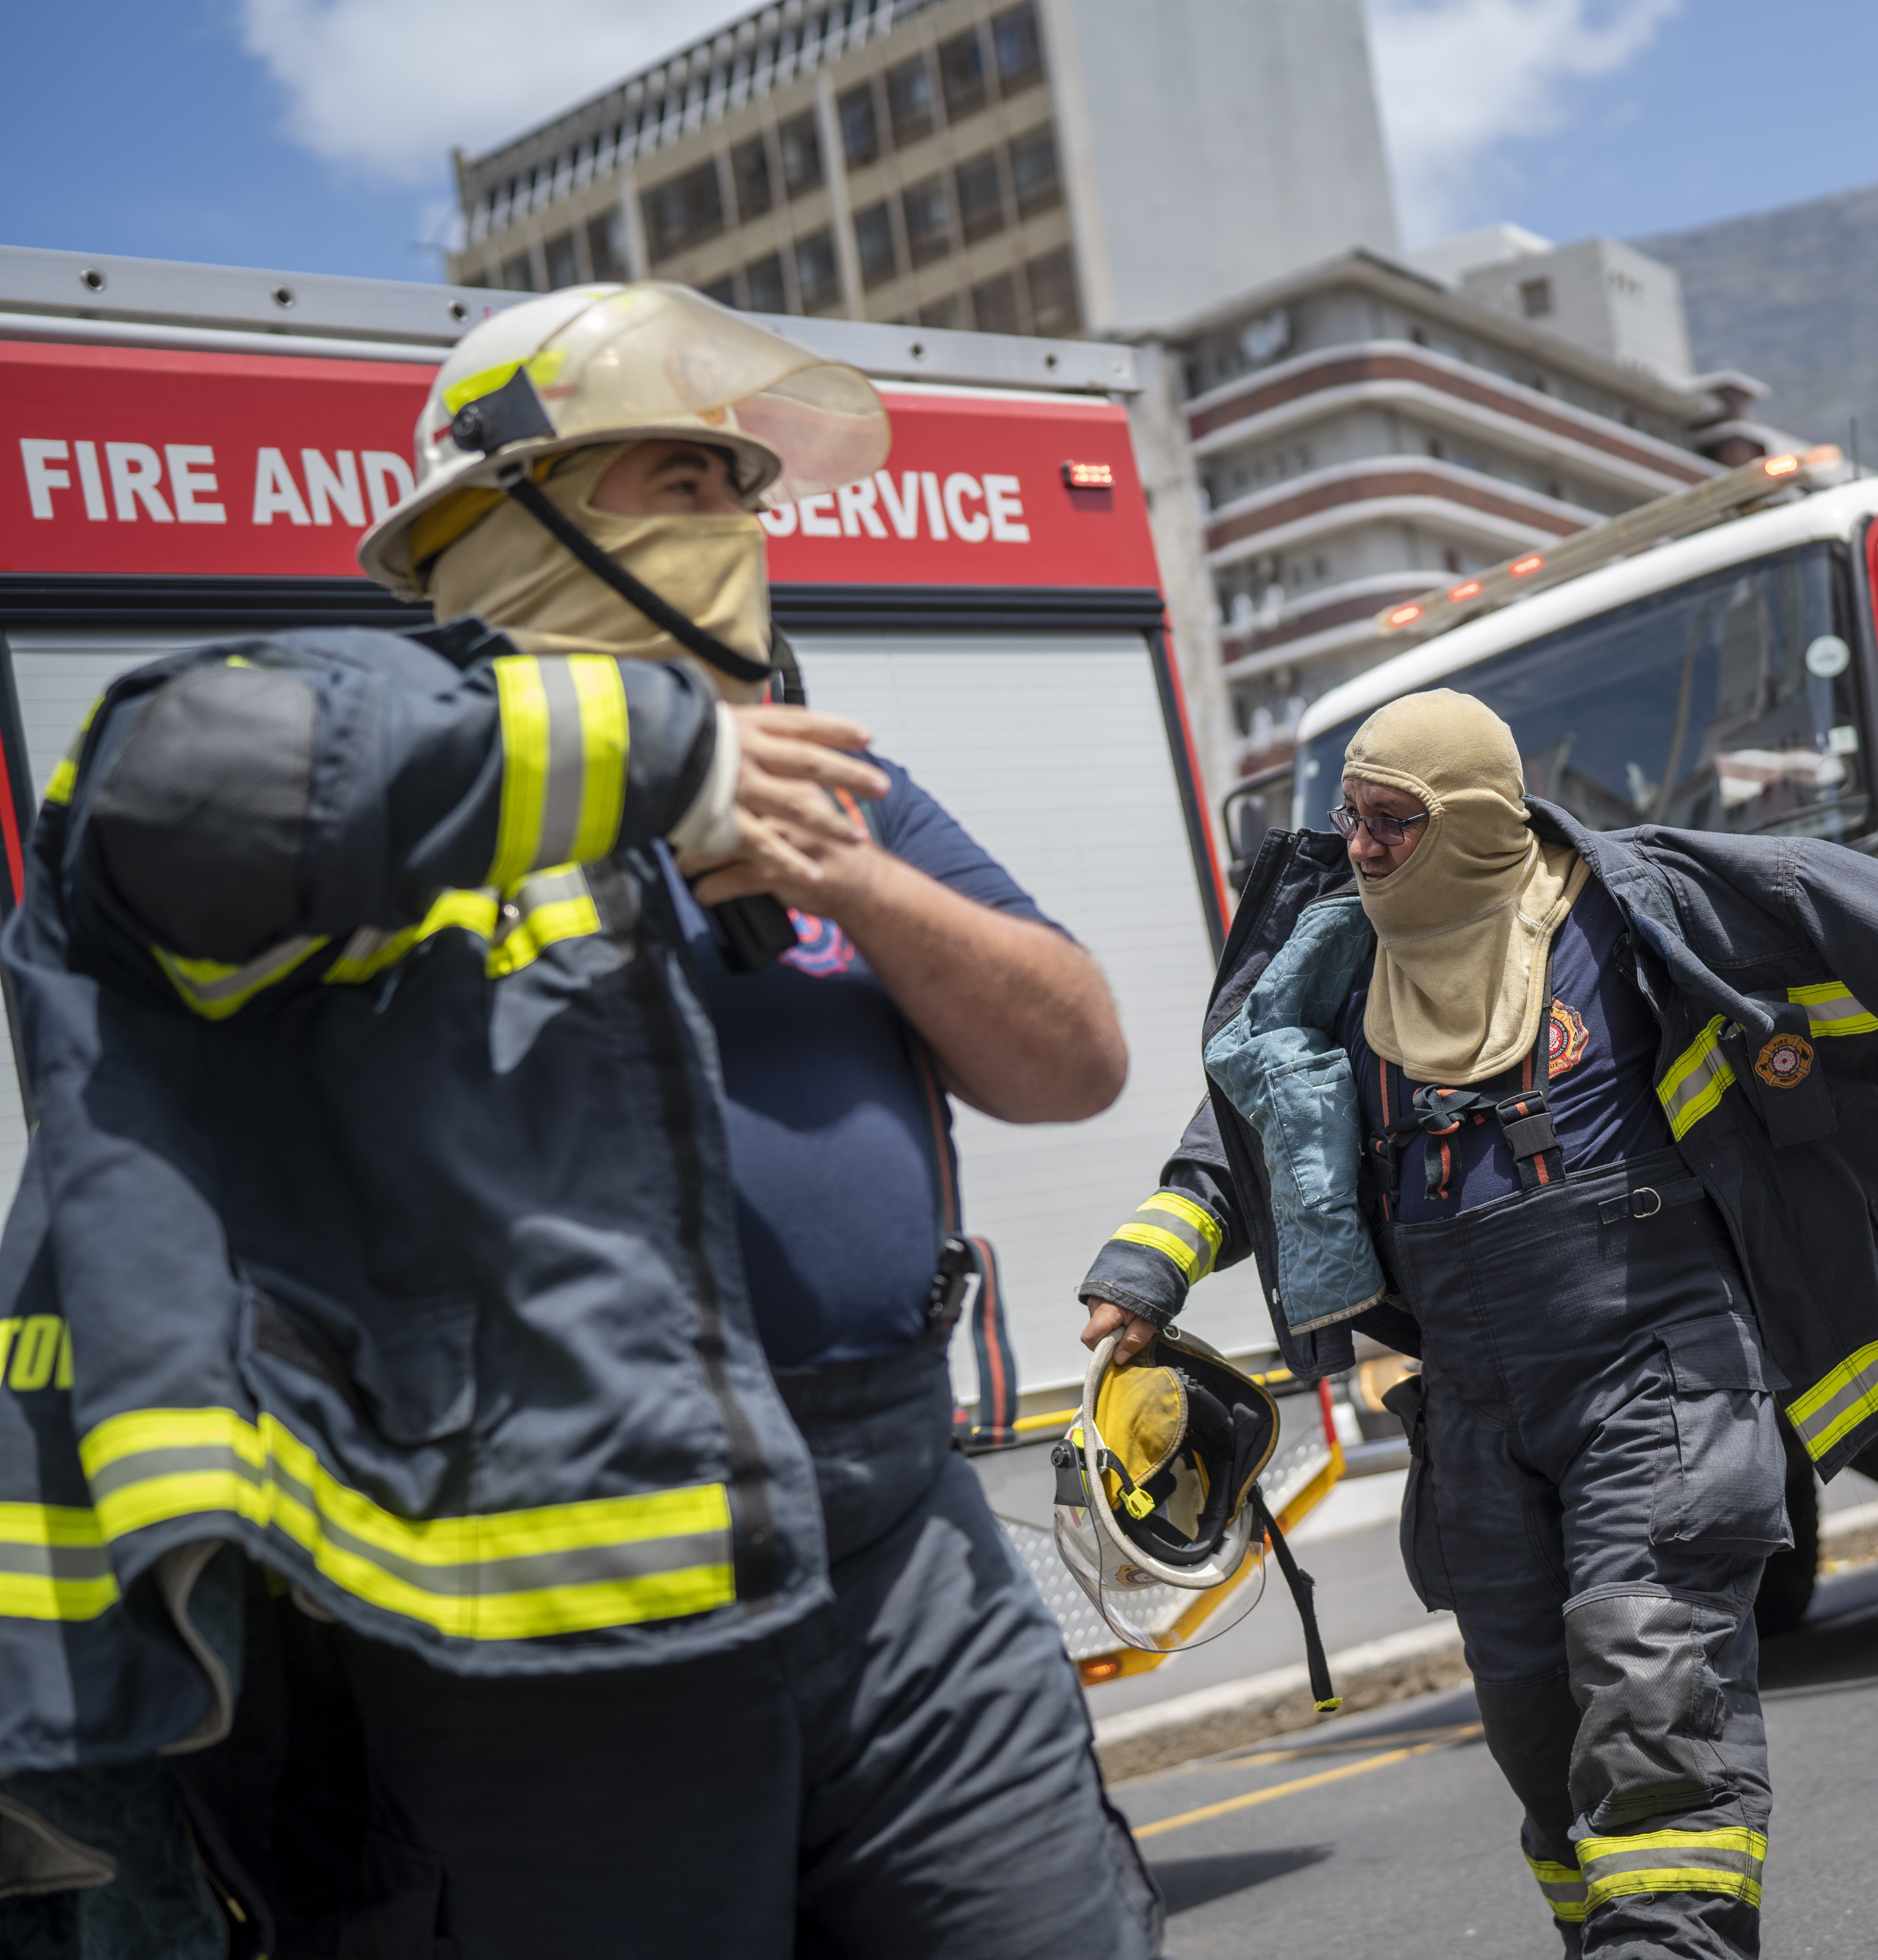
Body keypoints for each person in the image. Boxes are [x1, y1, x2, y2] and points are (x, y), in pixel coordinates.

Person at [0, 282, 1159, 1959]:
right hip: (559, 1625)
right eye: (675, 479)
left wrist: (851, 874)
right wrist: (644, 766)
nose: (734, 522)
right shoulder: (373, 764)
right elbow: (168, 788)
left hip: (902, 1551)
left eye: (741, 485)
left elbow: (1076, 1059)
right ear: (499, 508)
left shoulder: (826, 776)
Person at [1075, 690, 1878, 1959]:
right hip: (1475, 1426)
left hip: (1656, 1387)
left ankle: (1667, 1944)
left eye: (1396, 821)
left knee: (1652, 1684)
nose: (1362, 849)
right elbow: (1237, 1154)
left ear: (1471, 821)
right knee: (1537, 1736)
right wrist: (1144, 1271)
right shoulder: (1331, 981)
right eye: (1351, 818)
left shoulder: (1648, 913)